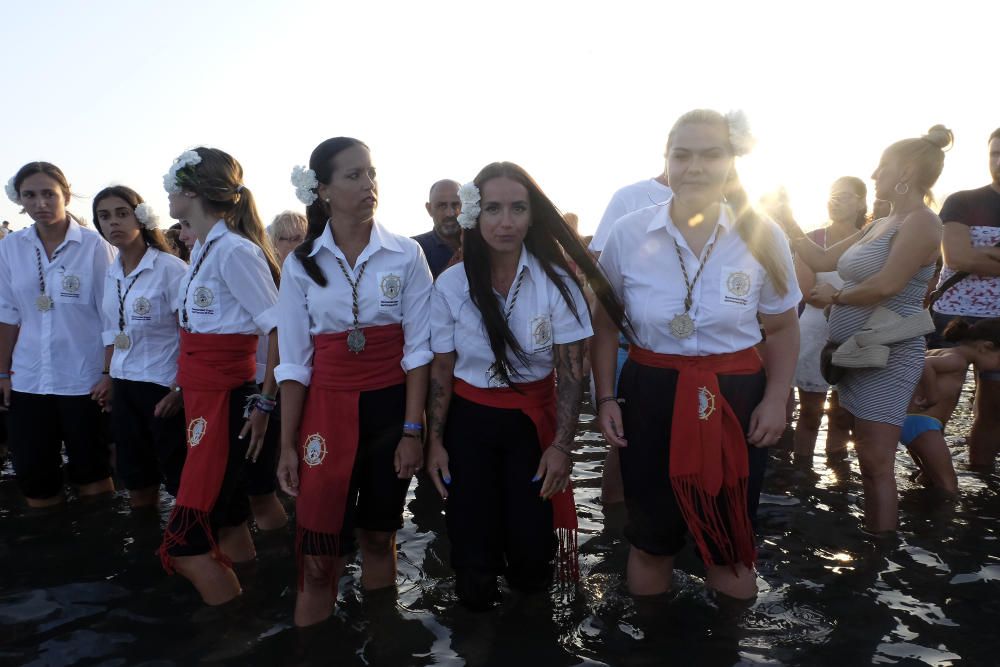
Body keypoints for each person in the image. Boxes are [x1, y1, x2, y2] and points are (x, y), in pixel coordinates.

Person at [592, 109, 801, 600]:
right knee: (652, 539)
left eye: (711, 155)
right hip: (651, 389)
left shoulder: (762, 234)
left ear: (732, 162)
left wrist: (775, 399)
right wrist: (604, 398)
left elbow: (782, 327)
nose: (695, 167)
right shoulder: (628, 232)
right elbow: (603, 326)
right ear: (666, 161)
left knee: (730, 542)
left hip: (735, 394)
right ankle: (650, 647)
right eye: (681, 155)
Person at [425, 162, 630, 610]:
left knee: (531, 555)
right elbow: (441, 369)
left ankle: (530, 643)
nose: (505, 221)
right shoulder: (452, 284)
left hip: (532, 428)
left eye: (517, 208)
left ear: (532, 215)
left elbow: (572, 372)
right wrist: (434, 441)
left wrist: (562, 447)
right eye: (493, 208)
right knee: (472, 556)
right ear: (474, 214)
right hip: (469, 424)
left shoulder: (558, 283)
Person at [276, 137, 432, 626]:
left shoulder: (406, 256)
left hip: (389, 413)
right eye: (353, 175)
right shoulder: (301, 264)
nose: (368, 185)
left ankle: (384, 640)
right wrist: (286, 444)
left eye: (371, 173)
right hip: (325, 412)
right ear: (322, 190)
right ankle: (312, 651)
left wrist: (412, 431)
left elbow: (418, 353)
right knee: (319, 557)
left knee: (379, 538)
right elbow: (294, 363)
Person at [787, 125, 952, 533]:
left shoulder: (923, 222)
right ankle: (874, 539)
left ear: (906, 172)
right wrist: (784, 216)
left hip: (889, 354)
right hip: (855, 351)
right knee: (863, 452)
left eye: (882, 167)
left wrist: (834, 298)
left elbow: (888, 285)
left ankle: (879, 554)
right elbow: (822, 258)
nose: (874, 175)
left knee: (876, 462)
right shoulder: (881, 220)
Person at [158, 147, 281, 606]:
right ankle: (257, 603)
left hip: (227, 400)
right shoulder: (206, 249)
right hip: (201, 394)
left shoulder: (234, 251)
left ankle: (230, 632)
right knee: (229, 517)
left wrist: (264, 403)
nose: (167, 193)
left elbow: (278, 327)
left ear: (191, 191)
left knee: (188, 542)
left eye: (172, 184)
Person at [0, 162, 117, 507]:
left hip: (84, 379)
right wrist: (3, 372)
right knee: (35, 478)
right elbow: (7, 314)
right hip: (29, 378)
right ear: (19, 201)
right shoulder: (11, 247)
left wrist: (109, 373)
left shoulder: (95, 246)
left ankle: (100, 548)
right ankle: (48, 553)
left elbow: (112, 316)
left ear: (65, 194)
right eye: (30, 195)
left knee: (93, 473)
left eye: (48, 193)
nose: (40, 203)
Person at [93, 186, 188, 508]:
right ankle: (144, 546)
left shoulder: (170, 269)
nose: (113, 223)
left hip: (162, 386)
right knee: (135, 475)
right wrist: (108, 375)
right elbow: (111, 330)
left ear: (141, 218)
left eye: (122, 214)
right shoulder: (112, 272)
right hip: (125, 384)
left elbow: (191, 331)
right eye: (104, 217)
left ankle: (189, 547)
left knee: (179, 476)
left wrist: (180, 388)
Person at [928, 128, 1000, 469]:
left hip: (998, 326)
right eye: (995, 153)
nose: (998, 161)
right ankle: (928, 478)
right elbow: (956, 257)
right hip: (949, 316)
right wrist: (974, 255)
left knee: (994, 411)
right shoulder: (962, 201)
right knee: (935, 404)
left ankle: (980, 477)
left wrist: (980, 253)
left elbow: (970, 254)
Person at [792, 177, 868, 463]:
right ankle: (802, 471)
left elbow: (877, 290)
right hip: (814, 331)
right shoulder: (812, 240)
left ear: (861, 202)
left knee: (843, 415)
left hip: (854, 331)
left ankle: (838, 476)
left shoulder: (870, 240)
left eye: (845, 196)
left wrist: (836, 295)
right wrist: (851, 296)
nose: (835, 201)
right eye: (832, 196)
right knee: (810, 412)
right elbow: (807, 292)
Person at [903, 317, 1000, 493]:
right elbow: (924, 365)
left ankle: (917, 504)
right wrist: (931, 395)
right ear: (986, 347)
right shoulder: (957, 360)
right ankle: (940, 518)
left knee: (929, 476)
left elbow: (915, 362)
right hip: (923, 426)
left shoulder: (943, 352)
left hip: (914, 423)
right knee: (948, 486)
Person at [413, 179, 462, 278]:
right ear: (429, 209)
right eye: (442, 206)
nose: (450, 213)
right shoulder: (414, 249)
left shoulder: (483, 245)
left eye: (456, 205)